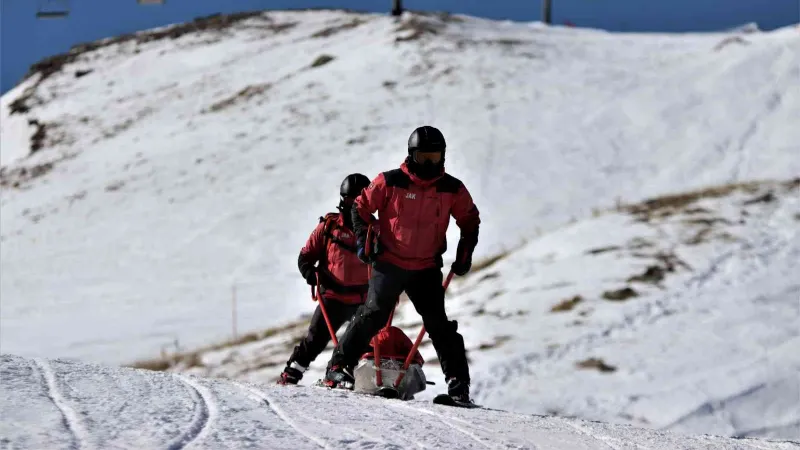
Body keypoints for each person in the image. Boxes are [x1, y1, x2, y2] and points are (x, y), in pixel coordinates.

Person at [322, 125, 481, 404]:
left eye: (435, 157)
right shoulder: (390, 182)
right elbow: (360, 208)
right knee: (373, 314)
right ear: (411, 156)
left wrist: (464, 253)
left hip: (426, 267)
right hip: (389, 262)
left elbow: (470, 220)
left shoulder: (451, 189)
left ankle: (459, 386)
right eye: (424, 158)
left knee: (438, 324)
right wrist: (364, 240)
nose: (430, 164)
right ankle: (338, 368)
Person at [277, 173, 372, 385]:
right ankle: (292, 373)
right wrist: (311, 274)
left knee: (365, 342)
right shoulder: (329, 228)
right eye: (351, 200)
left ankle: (360, 377)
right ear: (343, 200)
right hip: (332, 296)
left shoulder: (375, 231)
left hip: (362, 300)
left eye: (360, 201)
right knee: (315, 339)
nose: (355, 206)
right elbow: (305, 257)